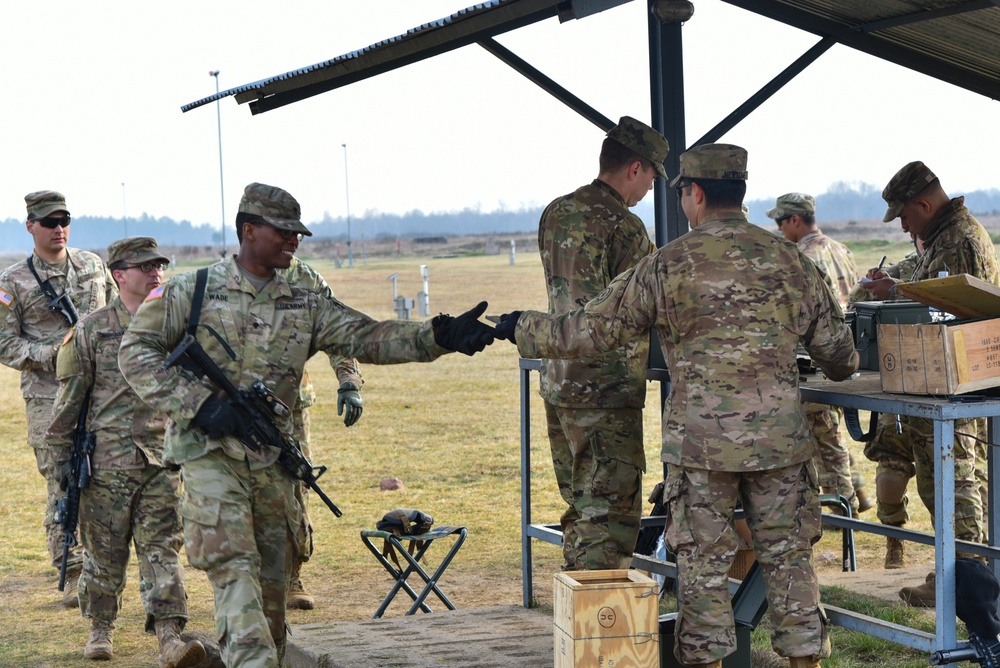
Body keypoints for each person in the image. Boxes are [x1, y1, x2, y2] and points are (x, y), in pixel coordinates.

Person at [494, 144, 858, 668]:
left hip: (699, 448)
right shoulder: (790, 259)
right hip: (780, 447)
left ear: (696, 193)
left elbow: (592, 330)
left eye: (683, 192)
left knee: (703, 572)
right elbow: (840, 356)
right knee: (790, 564)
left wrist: (520, 325)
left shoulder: (665, 265)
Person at [117, 182, 493, 668]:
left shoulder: (305, 295)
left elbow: (366, 335)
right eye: (283, 231)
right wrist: (198, 403)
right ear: (248, 230)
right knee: (234, 569)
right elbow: (135, 352)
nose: (294, 240)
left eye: (299, 233)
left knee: (274, 584)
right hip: (208, 453)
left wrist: (437, 336)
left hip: (273, 458)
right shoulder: (193, 291)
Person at [45, 237, 205, 665]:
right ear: (119, 275)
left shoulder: (174, 326)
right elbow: (69, 400)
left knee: (163, 549)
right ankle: (100, 629)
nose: (156, 272)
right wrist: (61, 461)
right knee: (104, 555)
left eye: (159, 265)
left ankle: (170, 636)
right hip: (105, 464)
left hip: (161, 460)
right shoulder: (91, 330)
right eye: (145, 267)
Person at [863, 160, 1000, 605]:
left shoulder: (958, 240)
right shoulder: (941, 236)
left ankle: (965, 583)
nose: (903, 227)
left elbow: (945, 301)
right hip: (944, 378)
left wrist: (897, 291)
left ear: (923, 203)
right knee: (943, 481)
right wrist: (895, 284)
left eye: (904, 216)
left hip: (959, 380)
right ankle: (959, 577)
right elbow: (926, 280)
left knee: (955, 483)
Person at [537, 115, 667, 570]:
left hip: (559, 377)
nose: (649, 191)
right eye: (651, 178)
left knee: (579, 506)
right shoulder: (625, 227)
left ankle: (576, 613)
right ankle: (600, 626)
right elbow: (644, 305)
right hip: (607, 390)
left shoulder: (556, 211)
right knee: (609, 517)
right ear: (635, 168)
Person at [0, 190, 116, 608]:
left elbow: (119, 315)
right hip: (49, 395)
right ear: (30, 225)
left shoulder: (92, 265)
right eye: (49, 222)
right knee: (63, 477)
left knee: (103, 474)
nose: (58, 228)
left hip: (102, 391)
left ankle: (103, 565)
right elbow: (3, 341)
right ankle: (71, 569)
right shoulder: (13, 280)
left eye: (64, 220)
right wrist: (48, 354)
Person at [766, 193, 870, 515]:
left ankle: (846, 511)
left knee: (826, 443)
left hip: (813, 361)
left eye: (780, 223)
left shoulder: (798, 257)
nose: (780, 230)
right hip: (843, 354)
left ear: (795, 220)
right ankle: (858, 496)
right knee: (831, 435)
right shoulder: (843, 251)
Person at [283, 255, 365, 611]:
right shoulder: (221, 281)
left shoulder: (302, 276)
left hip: (289, 403)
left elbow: (337, 329)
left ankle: (291, 576)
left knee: (296, 484)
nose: (290, 241)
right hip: (234, 405)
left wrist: (348, 379)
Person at [848, 232, 922, 569]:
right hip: (904, 379)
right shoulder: (907, 265)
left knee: (962, 483)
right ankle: (896, 545)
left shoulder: (959, 256)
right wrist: (872, 285)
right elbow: (855, 302)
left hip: (952, 386)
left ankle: (969, 560)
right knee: (891, 468)